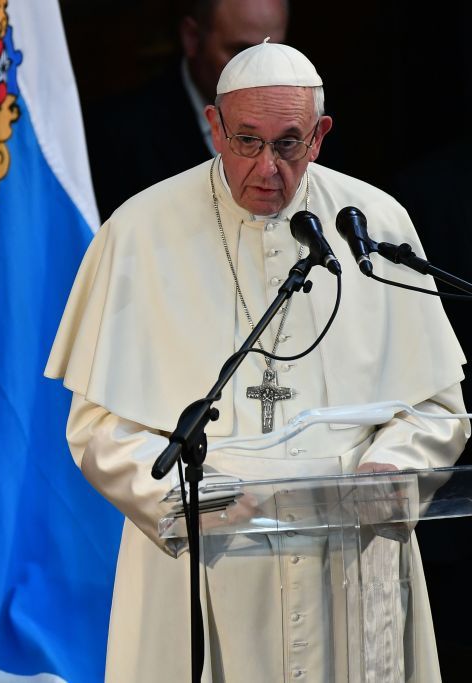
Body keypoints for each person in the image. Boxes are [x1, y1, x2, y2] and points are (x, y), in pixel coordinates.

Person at [47, 40, 468, 681]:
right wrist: (193, 497)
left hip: (348, 561)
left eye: (288, 144)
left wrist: (391, 466)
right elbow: (99, 428)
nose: (267, 168)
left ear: (320, 136)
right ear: (214, 126)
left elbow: (438, 407)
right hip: (207, 565)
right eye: (246, 141)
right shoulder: (138, 231)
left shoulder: (374, 223)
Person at [85, 0, 288, 220]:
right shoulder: (119, 136)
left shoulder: (306, 131)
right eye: (240, 53)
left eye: (274, 53)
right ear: (191, 37)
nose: (262, 73)